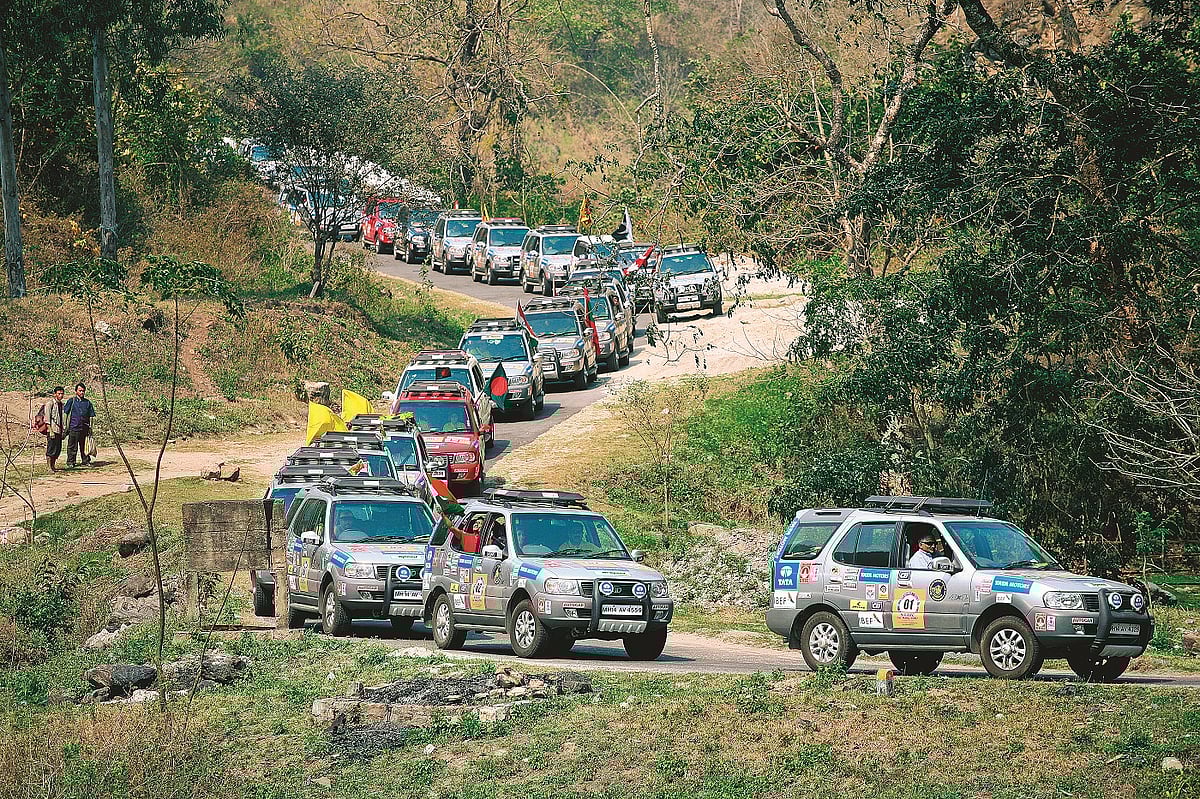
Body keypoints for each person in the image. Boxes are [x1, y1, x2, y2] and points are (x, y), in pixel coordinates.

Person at [63, 383, 96, 467]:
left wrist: (91, 428)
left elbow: (91, 416)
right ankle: (71, 462)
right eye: (80, 390)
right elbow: (65, 413)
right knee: (72, 447)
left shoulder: (87, 402)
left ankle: (85, 461)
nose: (82, 392)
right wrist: (65, 426)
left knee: (85, 446)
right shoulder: (72, 401)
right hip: (73, 427)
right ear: (76, 391)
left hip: (84, 428)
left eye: (83, 391)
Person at [36, 387, 66, 472]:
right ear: (55, 394)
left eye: (62, 393)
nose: (60, 395)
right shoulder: (50, 404)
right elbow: (47, 418)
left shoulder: (61, 404)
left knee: (58, 449)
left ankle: (53, 466)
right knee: (51, 448)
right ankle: (49, 467)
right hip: (52, 429)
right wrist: (50, 430)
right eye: (59, 393)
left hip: (59, 430)